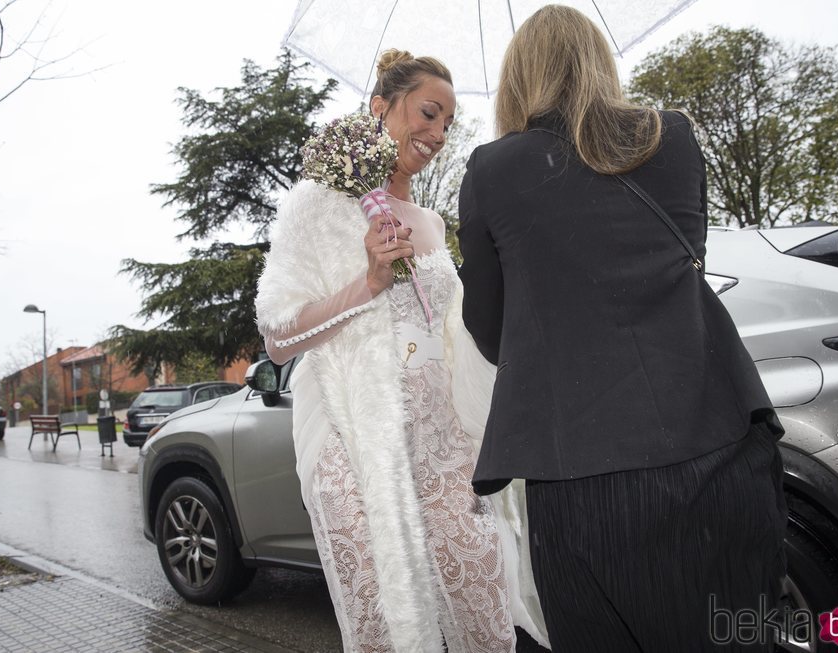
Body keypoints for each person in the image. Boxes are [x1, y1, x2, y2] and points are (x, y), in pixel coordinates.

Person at [457, 5, 788, 652]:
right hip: (715, 450)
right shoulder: (675, 136)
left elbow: (489, 330)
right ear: (599, 61)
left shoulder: (491, 170)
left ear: (519, 80)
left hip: (576, 481)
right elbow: (681, 265)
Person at [255, 49, 521, 652]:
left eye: (448, 124)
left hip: (445, 447)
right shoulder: (316, 206)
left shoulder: (429, 221)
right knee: (385, 627)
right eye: (428, 113)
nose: (438, 134)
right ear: (381, 108)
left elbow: (452, 333)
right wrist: (369, 282)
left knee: (486, 615)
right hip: (353, 446)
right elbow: (277, 340)